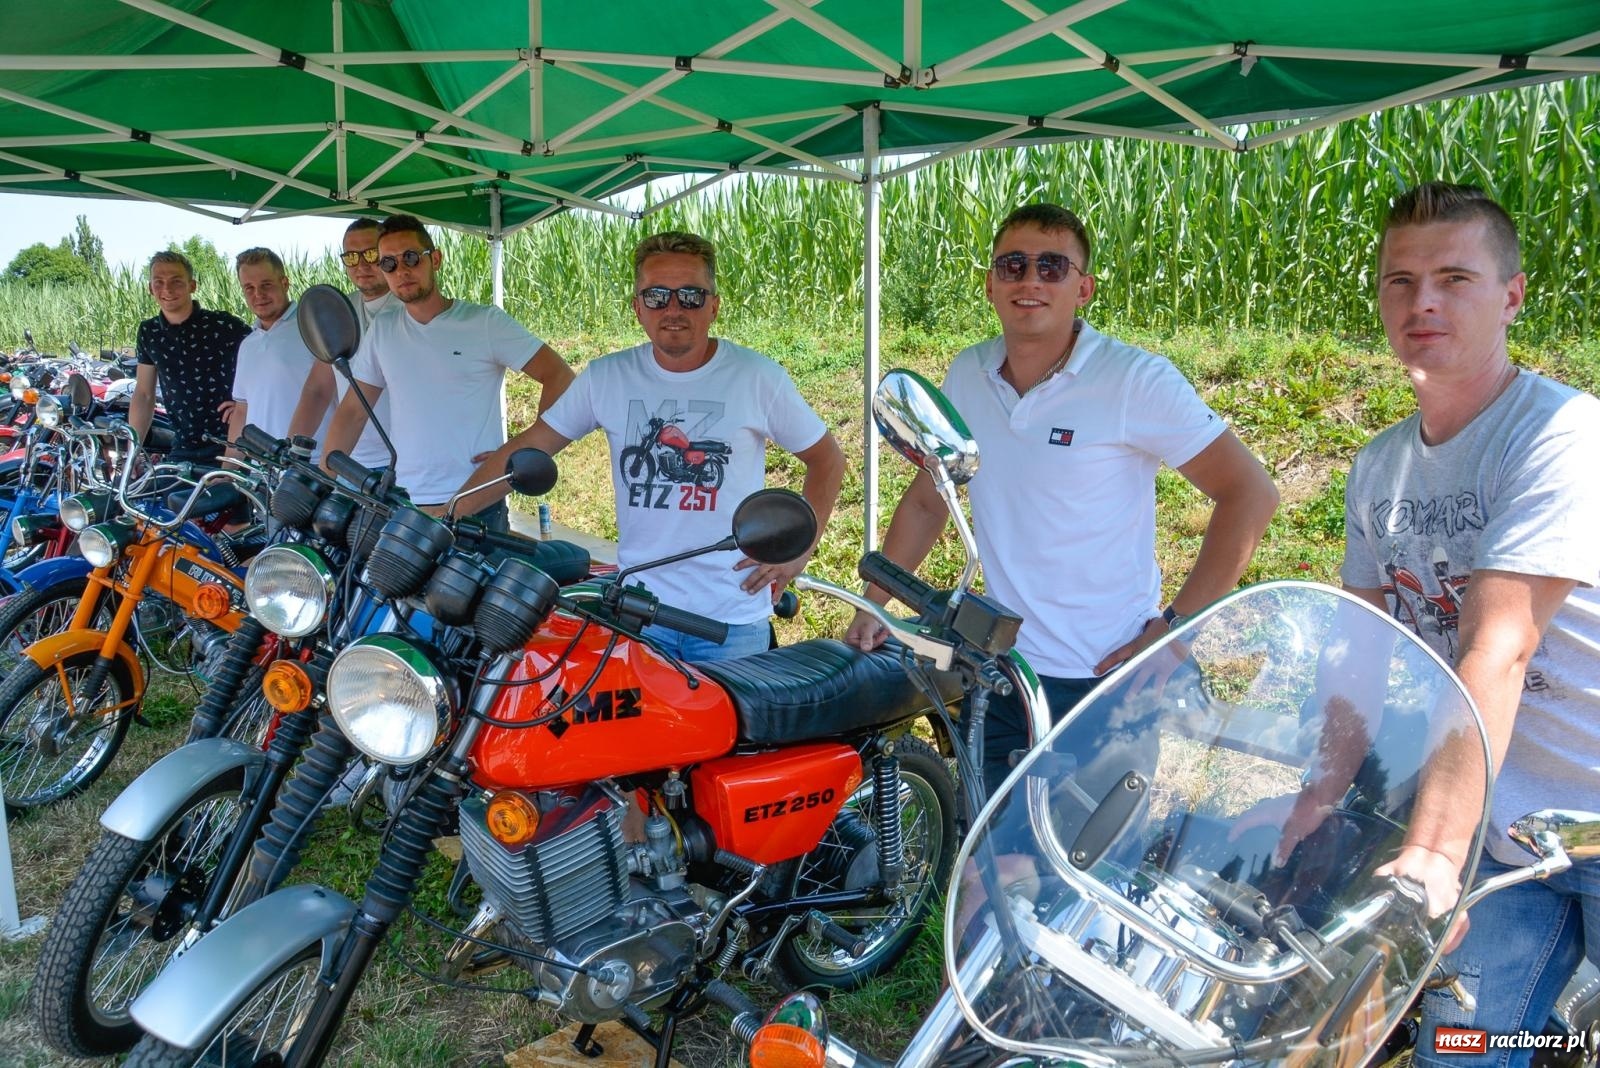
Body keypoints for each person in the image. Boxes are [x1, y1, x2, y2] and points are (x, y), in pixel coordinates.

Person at [846, 203, 1278, 794]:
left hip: (1107, 679)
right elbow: (929, 500)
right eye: (1013, 265)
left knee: (1087, 872)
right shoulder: (968, 373)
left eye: (1052, 267)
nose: (1030, 280)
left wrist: (1175, 631)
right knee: (995, 865)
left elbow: (1249, 493)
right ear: (990, 284)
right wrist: (874, 603)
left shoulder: (1134, 380)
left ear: (1084, 288)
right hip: (1001, 671)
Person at [1337, 182, 1600, 1067]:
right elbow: (1372, 659)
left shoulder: (1561, 434)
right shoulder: (1378, 469)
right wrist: (1315, 801)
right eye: (1399, 281)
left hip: (1589, 807)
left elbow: (1500, 644)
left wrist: (1434, 857)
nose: (1424, 303)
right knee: (1462, 1048)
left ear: (1513, 296)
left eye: (1455, 277)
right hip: (1505, 829)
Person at [457, 231, 846, 661]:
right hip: (639, 616)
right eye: (657, 295)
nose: (674, 309)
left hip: (730, 622)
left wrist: (798, 554)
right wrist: (446, 515)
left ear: (713, 305)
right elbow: (530, 447)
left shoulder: (757, 377)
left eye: (691, 296)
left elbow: (826, 459)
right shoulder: (607, 377)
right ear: (637, 307)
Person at [321, 214, 573, 529]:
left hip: (476, 501)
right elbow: (353, 412)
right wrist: (322, 480)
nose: (402, 271)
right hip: (406, 503)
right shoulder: (383, 331)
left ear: (435, 259)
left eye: (411, 258)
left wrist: (525, 450)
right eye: (389, 264)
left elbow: (560, 376)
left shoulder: (484, 322)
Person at [130, 250, 251, 464]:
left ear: (192, 286)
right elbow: (144, 394)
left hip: (231, 444)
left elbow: (265, 364)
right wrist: (133, 452)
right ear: (150, 288)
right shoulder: (149, 332)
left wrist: (247, 404)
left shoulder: (224, 325)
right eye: (159, 282)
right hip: (183, 446)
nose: (167, 289)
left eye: (176, 281)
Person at [227, 247, 337, 458]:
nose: (258, 294)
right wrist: (229, 469)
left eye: (266, 285)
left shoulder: (314, 328)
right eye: (249, 287)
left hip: (311, 466)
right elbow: (242, 411)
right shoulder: (247, 344)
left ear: (284, 283)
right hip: (262, 468)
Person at [336, 218, 397, 468]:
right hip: (351, 462)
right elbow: (317, 389)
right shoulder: (337, 310)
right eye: (351, 257)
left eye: (370, 254)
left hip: (406, 462)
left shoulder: (415, 309)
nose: (361, 264)